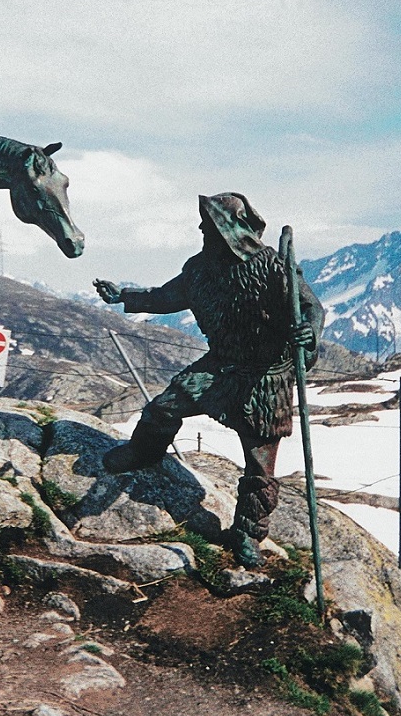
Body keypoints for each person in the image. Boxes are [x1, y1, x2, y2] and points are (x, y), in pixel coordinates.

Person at [94, 193, 324, 567]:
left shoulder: (272, 267)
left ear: (229, 229)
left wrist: (308, 334)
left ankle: (248, 533)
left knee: (259, 466)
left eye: (210, 224)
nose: (202, 229)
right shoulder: (199, 270)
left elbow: (311, 308)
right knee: (164, 407)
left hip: (266, 377)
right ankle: (144, 452)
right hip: (221, 364)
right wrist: (125, 296)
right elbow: (166, 297)